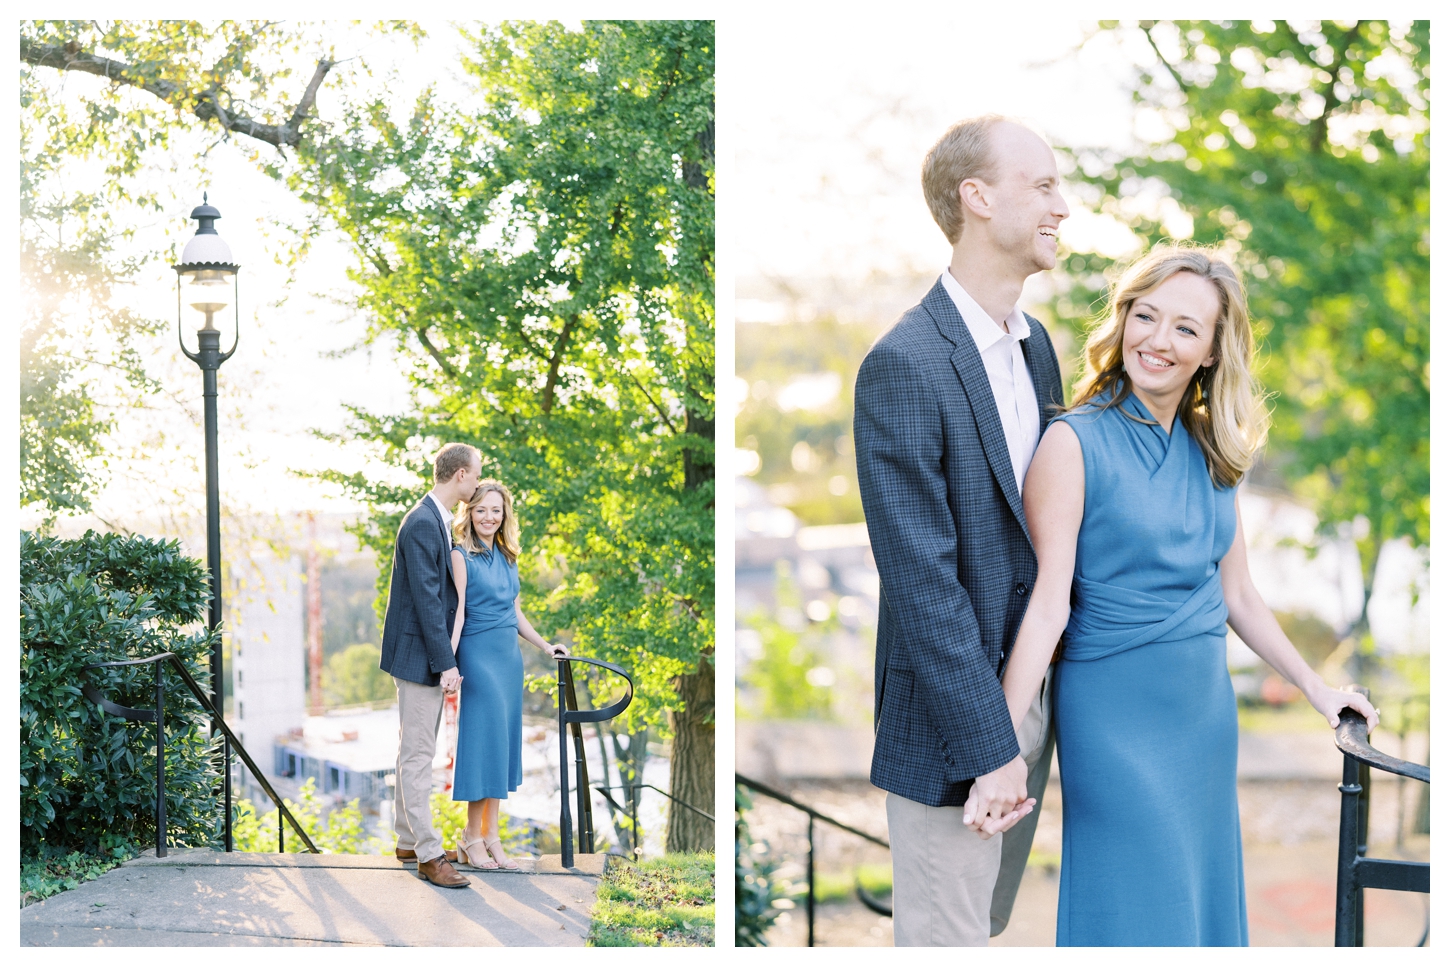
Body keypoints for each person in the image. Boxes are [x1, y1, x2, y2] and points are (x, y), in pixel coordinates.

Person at [1000, 246, 1380, 945]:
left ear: (1210, 349)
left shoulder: (1212, 449)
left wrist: (1319, 690)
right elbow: (1046, 605)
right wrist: (997, 742)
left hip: (1203, 720)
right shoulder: (1071, 443)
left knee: (1198, 907)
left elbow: (1241, 594)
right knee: (1134, 904)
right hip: (1111, 717)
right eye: (1145, 316)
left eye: (1184, 327)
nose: (1157, 340)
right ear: (1122, 321)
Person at [853, 114, 1068, 946]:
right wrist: (992, 745)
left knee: (986, 931)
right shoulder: (903, 363)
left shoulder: (1036, 347)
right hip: (953, 736)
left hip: (1029, 709)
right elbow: (924, 587)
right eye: (1043, 184)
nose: (1063, 205)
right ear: (976, 197)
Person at [447, 480, 568, 870]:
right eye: (481, 509)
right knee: (481, 747)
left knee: (500, 747)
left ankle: (492, 837)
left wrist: (546, 646)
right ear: (470, 512)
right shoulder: (460, 556)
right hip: (477, 655)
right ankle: (470, 836)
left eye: (496, 510)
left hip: (507, 659)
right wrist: (448, 663)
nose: (489, 517)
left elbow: (515, 614)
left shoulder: (509, 556)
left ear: (504, 515)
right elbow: (459, 612)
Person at [379, 442, 479, 889]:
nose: (476, 482)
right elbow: (427, 600)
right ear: (459, 475)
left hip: (419, 655)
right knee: (420, 756)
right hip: (421, 657)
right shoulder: (423, 522)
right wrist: (447, 663)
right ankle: (428, 854)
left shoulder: (433, 518)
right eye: (475, 475)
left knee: (411, 751)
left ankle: (407, 839)